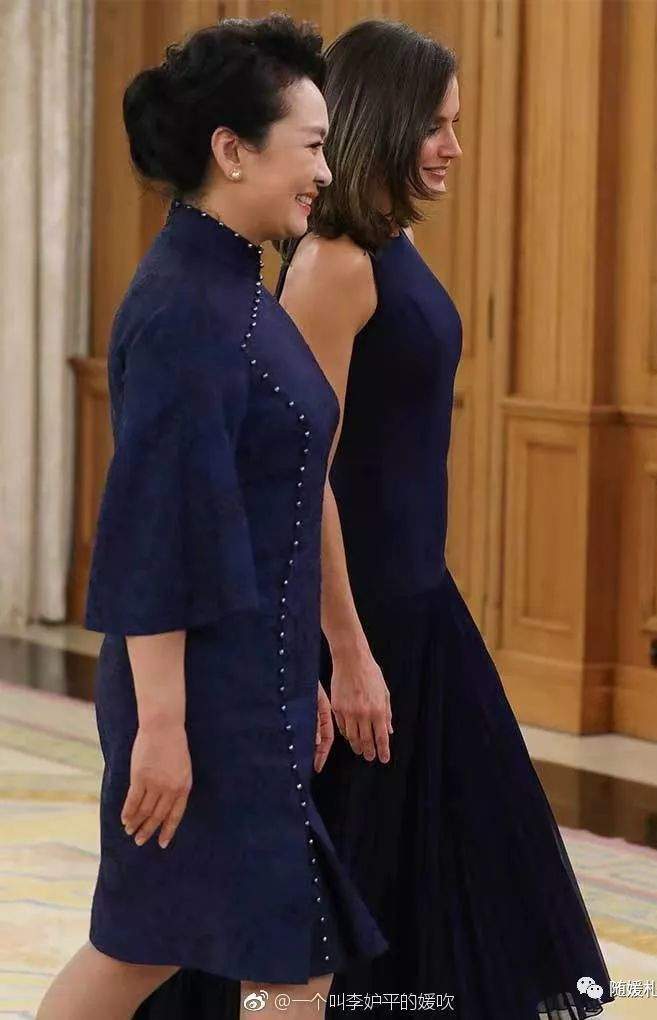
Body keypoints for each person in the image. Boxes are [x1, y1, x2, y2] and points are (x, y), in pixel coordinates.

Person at [135, 17, 615, 1020]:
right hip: (356, 619)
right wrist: (347, 652)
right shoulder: (334, 264)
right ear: (387, 120)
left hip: (416, 604)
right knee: (335, 898)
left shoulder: (387, 244)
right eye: (437, 124)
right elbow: (303, 470)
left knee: (441, 878)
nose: (453, 147)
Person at [36, 16, 386, 1020]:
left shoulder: (236, 288)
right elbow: (158, 527)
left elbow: (261, 501)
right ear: (232, 151)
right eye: (310, 145)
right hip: (196, 701)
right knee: (164, 948)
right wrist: (161, 725)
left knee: (267, 957)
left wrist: (296, 672)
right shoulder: (187, 308)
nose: (325, 171)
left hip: (243, 687)